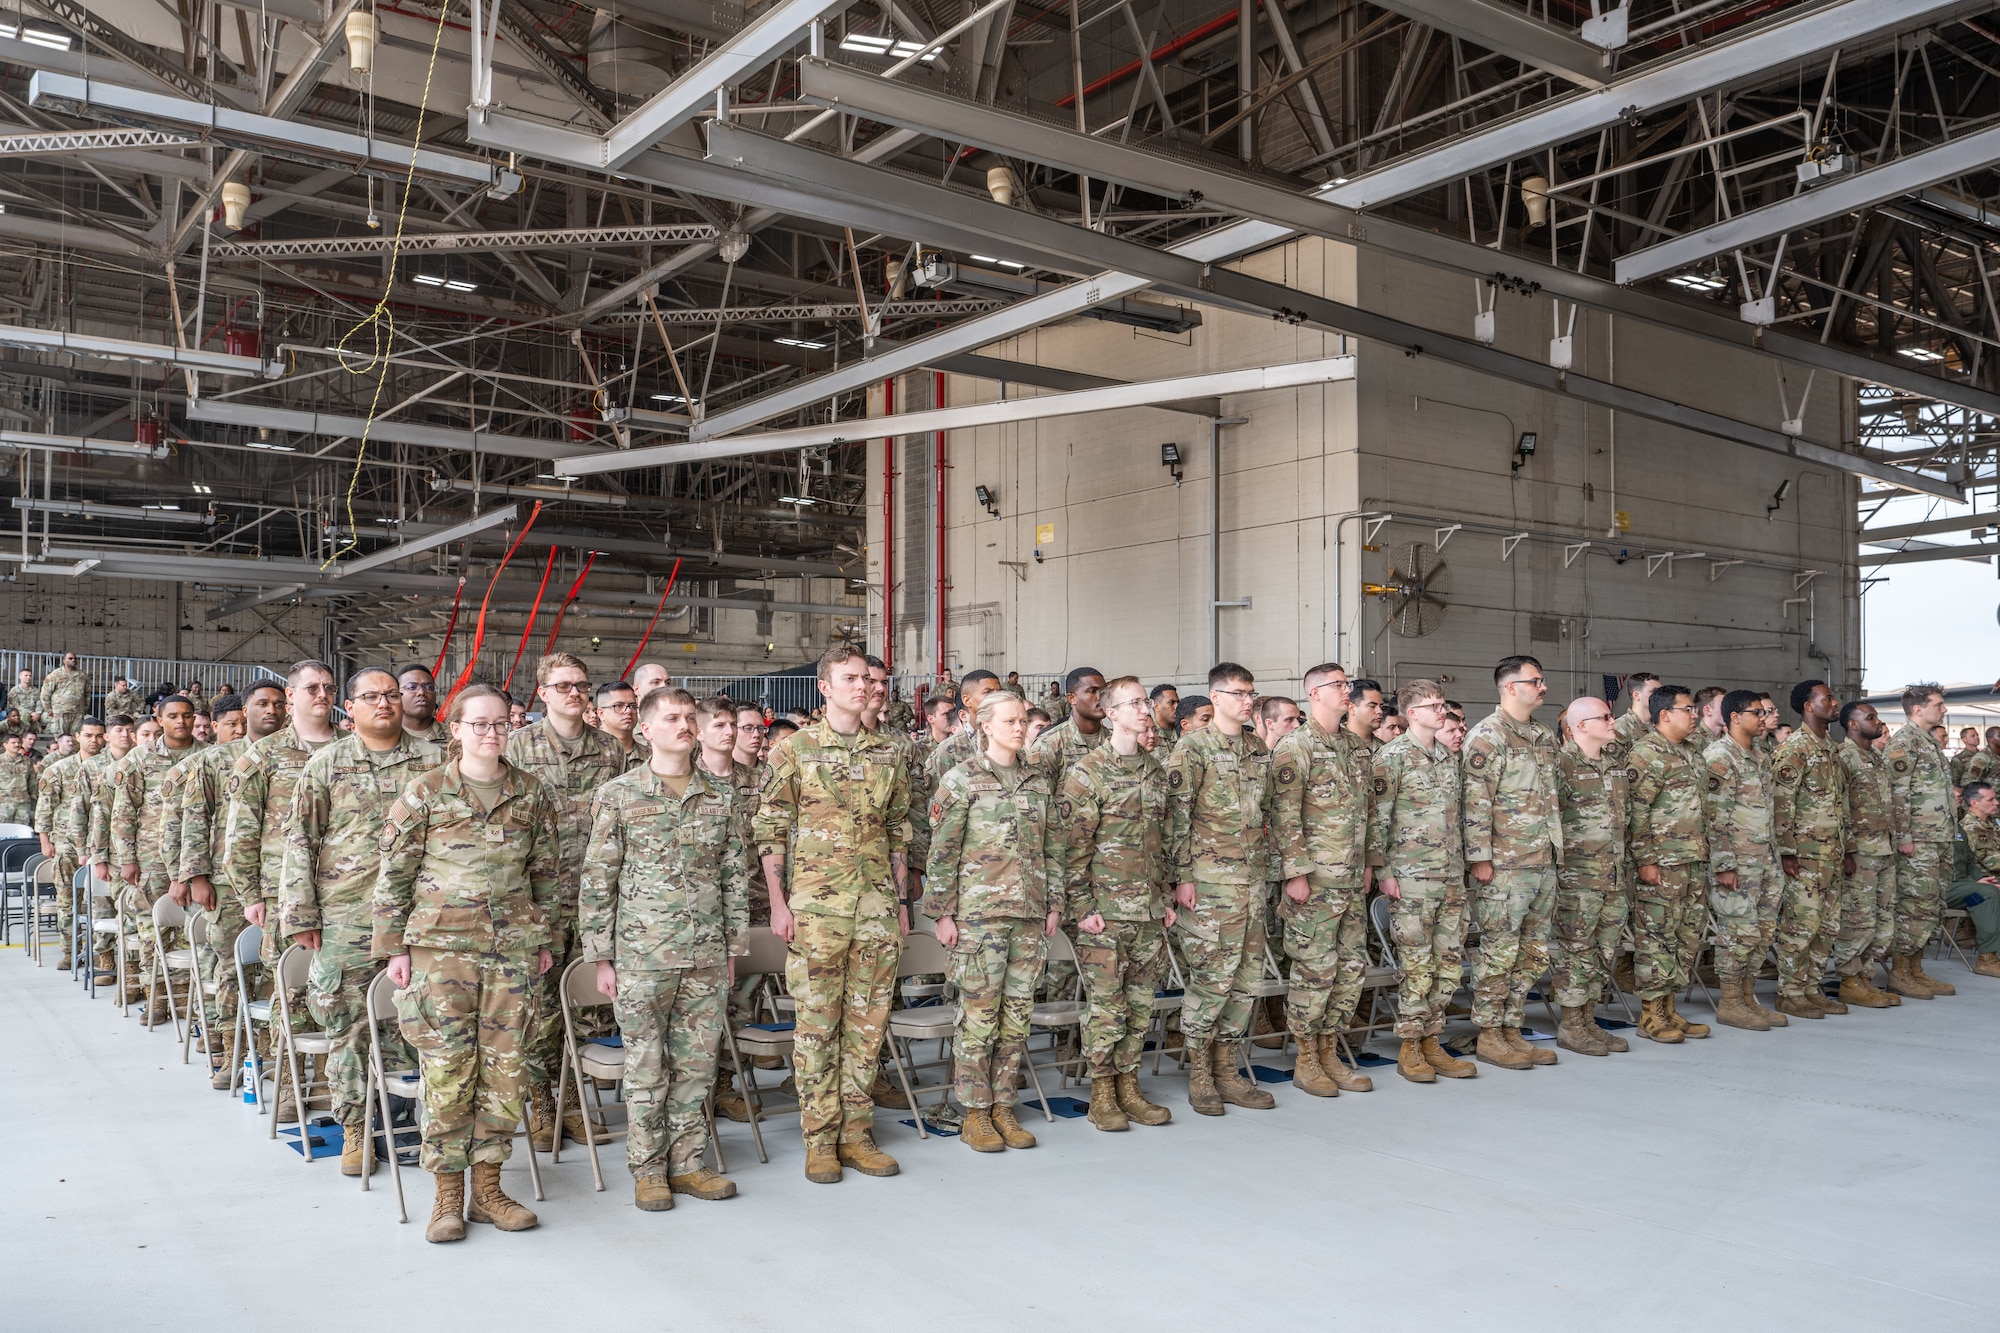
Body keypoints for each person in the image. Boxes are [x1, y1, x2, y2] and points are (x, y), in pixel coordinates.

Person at [374, 683, 559, 1243]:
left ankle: (490, 1190)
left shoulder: (531, 792)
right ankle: (447, 1196)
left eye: (500, 723)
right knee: (448, 1071)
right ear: (454, 729)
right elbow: (394, 874)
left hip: (512, 954)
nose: (491, 732)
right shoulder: (426, 792)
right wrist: (394, 948)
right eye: (478, 723)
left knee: (506, 1070)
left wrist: (544, 936)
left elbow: (547, 872)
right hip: (439, 953)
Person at [580, 686, 749, 1209]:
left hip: (703, 956)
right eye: (671, 717)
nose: (683, 724)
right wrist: (600, 956)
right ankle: (648, 1168)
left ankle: (689, 1163)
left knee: (697, 1066)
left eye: (688, 717)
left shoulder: (718, 798)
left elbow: (732, 878)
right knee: (647, 1066)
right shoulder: (619, 794)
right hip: (642, 956)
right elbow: (597, 878)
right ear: (646, 729)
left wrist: (731, 949)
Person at [752, 645, 911, 1184]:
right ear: (824, 687)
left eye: (867, 679)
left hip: (875, 910)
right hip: (817, 910)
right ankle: (820, 1138)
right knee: (817, 1027)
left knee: (867, 1027)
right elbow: (770, 829)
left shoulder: (889, 751)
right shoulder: (794, 750)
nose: (863, 686)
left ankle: (856, 1133)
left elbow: (898, 830)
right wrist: (778, 903)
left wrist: (900, 901)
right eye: (850, 679)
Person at [281, 669, 444, 1174]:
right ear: (348, 708)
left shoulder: (437, 762)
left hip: (423, 917)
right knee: (349, 1024)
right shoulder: (327, 765)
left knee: (420, 1020)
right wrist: (301, 915)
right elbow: (299, 841)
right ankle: (355, 1127)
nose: (385, 704)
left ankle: (412, 1124)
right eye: (370, 697)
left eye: (392, 695)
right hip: (347, 916)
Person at [924, 691, 1060, 1152]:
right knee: (978, 1019)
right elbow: (941, 851)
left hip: (1028, 916)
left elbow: (1052, 849)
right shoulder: (961, 780)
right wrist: (942, 913)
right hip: (978, 919)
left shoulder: (1038, 781)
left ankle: (1004, 1104)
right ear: (984, 726)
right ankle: (975, 1113)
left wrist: (1053, 903)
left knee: (1016, 1019)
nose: (1020, 727)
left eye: (1024, 720)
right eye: (1009, 721)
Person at [505, 652, 628, 1150]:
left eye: (580, 685)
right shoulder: (517, 747)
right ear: (542, 692)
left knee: (586, 1009)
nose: (573, 693)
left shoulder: (611, 749)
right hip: (541, 900)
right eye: (562, 686)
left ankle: (574, 1104)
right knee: (538, 1009)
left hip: (597, 897)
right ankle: (540, 1106)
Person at [1058, 675, 1176, 1131]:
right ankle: (1102, 1092)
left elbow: (1163, 840)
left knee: (1141, 1004)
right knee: (1107, 1008)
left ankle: (1130, 1085)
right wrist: (1084, 909)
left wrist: (1163, 897)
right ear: (1111, 715)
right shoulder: (1087, 773)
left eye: (1146, 702)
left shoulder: (1155, 769)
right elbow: (1072, 850)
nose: (1145, 709)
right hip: (1103, 913)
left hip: (1146, 910)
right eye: (1134, 703)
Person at [1166, 662, 1279, 1115]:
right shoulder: (1192, 749)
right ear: (1215, 698)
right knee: (1211, 981)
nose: (1247, 700)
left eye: (1250, 693)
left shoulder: (1255, 747)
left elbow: (1267, 811)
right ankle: (1199, 1072)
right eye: (1237, 693)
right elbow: (1176, 817)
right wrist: (1183, 878)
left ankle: (1228, 1070)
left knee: (1247, 982)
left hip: (1251, 883)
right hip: (1209, 886)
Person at [1270, 662, 1377, 1095]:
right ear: (1313, 693)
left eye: (1347, 683)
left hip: (1350, 879)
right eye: (1337, 684)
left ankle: (1330, 1050)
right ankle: (1306, 1059)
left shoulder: (1355, 746)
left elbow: (1367, 813)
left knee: (1350, 970)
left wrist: (1370, 862)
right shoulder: (1296, 747)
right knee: (1314, 971)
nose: (1345, 690)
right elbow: (1283, 815)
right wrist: (1294, 872)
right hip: (1314, 881)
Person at [181, 682, 287, 1085]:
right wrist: (197, 876)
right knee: (232, 969)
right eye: (262, 703)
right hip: (227, 883)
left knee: (279, 972)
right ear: (245, 711)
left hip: (283, 884)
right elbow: (195, 818)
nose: (272, 710)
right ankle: (233, 1052)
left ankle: (276, 1052)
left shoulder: (297, 756)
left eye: (279, 704)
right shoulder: (217, 760)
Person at [1462, 656, 1563, 1071]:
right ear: (1509, 687)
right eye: (1533, 681)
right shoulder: (1488, 735)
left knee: (1534, 952)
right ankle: (1489, 1033)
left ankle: (1511, 1028)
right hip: (1505, 864)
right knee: (1499, 951)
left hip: (1542, 860)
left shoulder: (1542, 735)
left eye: (1542, 679)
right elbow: (1475, 800)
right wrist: (1479, 858)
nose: (1542, 687)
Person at [1369, 678, 1473, 1083]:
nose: (1442, 711)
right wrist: (1384, 873)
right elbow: (1377, 821)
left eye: (1443, 704)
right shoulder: (1391, 757)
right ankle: (1410, 1047)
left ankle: (1434, 1041)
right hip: (1411, 879)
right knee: (1417, 965)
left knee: (1448, 965)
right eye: (1433, 706)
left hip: (1449, 877)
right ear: (1412, 714)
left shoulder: (1448, 758)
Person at [106, 695, 204, 1011]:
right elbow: (123, 812)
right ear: (158, 719)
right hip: (150, 859)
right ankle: (157, 998)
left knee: (191, 930)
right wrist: (128, 859)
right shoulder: (140, 758)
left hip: (194, 857)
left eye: (187, 715)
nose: (181, 721)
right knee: (153, 930)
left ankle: (187, 999)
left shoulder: (209, 755)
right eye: (173, 715)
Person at [1625, 684, 1711, 1043]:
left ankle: (1670, 1008)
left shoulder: (1693, 751)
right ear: (1665, 715)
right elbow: (1636, 812)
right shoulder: (1646, 754)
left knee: (1686, 938)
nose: (1695, 715)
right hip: (1662, 863)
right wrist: (1645, 860)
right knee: (1656, 939)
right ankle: (1651, 1014)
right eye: (1688, 709)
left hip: (1693, 860)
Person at [1551, 697, 1631, 1055]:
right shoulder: (1562, 765)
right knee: (1576, 952)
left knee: (1603, 951)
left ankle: (1588, 1019)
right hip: (1578, 879)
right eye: (1606, 717)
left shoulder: (1615, 764)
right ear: (1581, 725)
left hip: (1613, 876)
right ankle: (1571, 1025)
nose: (1613, 722)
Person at [1770, 680, 1853, 1022]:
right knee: (1801, 925)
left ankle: (1810, 988)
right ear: (1808, 706)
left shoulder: (1830, 748)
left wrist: (1845, 849)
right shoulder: (1795, 749)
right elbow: (1780, 803)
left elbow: (1838, 803)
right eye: (1828, 698)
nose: (1835, 703)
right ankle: (1789, 992)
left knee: (1827, 926)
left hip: (1831, 853)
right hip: (1805, 855)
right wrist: (1787, 852)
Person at [1702, 690, 1785, 1031]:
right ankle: (1731, 1001)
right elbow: (1713, 816)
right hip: (1738, 861)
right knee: (1738, 932)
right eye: (1756, 713)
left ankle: (1748, 996)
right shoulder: (1720, 756)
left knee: (1762, 933)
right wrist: (1724, 864)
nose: (1763, 718)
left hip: (1765, 859)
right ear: (1735, 717)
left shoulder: (1760, 754)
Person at [1885, 683, 1958, 999]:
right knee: (1914, 906)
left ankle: (1916, 969)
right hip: (1918, 842)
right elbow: (1895, 794)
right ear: (1918, 709)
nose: (1943, 710)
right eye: (1938, 704)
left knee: (1933, 905)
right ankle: (1901, 972)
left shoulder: (1929, 742)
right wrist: (1903, 837)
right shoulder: (1904, 744)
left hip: (1938, 838)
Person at [1831, 702, 1902, 1007]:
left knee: (1881, 917)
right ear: (1853, 724)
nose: (1878, 721)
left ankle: (1865, 977)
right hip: (1860, 852)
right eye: (1870, 717)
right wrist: (1847, 850)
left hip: (1884, 849)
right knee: (1857, 919)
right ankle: (1848, 979)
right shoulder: (1843, 756)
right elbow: (1839, 807)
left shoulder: (1876, 756)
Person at [34, 716, 104, 970]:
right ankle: (69, 950)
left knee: (99, 902)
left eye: (98, 735)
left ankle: (99, 951)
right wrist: (45, 840)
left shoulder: (108, 766)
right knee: (67, 900)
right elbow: (45, 807)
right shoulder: (60, 769)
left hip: (99, 844)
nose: (94, 740)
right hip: (65, 843)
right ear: (77, 737)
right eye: (88, 735)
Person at [1946, 782, 2000, 978]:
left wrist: (1982, 879)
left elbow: (1970, 864)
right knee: (1987, 894)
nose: (1959, 801)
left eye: (1959, 798)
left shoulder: (1957, 828)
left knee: (1988, 891)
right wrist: (1978, 884)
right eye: (1955, 798)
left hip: (1964, 890)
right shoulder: (1929, 829)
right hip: (1944, 888)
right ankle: (1987, 958)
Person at [1028, 667, 1108, 778]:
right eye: (1092, 691)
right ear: (1072, 698)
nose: (1101, 697)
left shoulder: (1114, 742)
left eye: (1104, 692)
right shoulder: (1049, 745)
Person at [398, 663, 450, 744]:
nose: (421, 692)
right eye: (412, 687)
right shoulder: (384, 737)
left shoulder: (455, 737)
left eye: (429, 687)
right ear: (397, 694)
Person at [595, 681, 641, 769]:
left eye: (632, 706)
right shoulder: (587, 755)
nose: (628, 711)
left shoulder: (652, 757)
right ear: (601, 714)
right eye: (619, 706)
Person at [40, 652, 88, 737]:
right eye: (70, 658)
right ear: (64, 661)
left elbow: (87, 693)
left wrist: (85, 708)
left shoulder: (82, 676)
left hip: (77, 712)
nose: (73, 660)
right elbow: (45, 693)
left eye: (74, 659)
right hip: (60, 712)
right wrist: (48, 709)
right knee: (60, 737)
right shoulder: (55, 674)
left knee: (76, 737)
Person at [1615, 672, 1661, 749]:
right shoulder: (1620, 728)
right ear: (1636, 695)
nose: (1660, 696)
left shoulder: (1661, 725)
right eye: (1654, 692)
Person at [0, 733, 36, 825]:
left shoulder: (27, 761)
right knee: (4, 831)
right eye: (13, 743)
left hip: (23, 803)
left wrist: (33, 796)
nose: (17, 745)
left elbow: (32, 780)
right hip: (4, 803)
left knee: (21, 831)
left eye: (18, 742)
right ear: (5, 745)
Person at [1347, 679, 1384, 750]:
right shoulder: (1334, 744)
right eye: (1372, 706)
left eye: (1381, 706)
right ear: (1352, 709)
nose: (1380, 711)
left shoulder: (1384, 750)